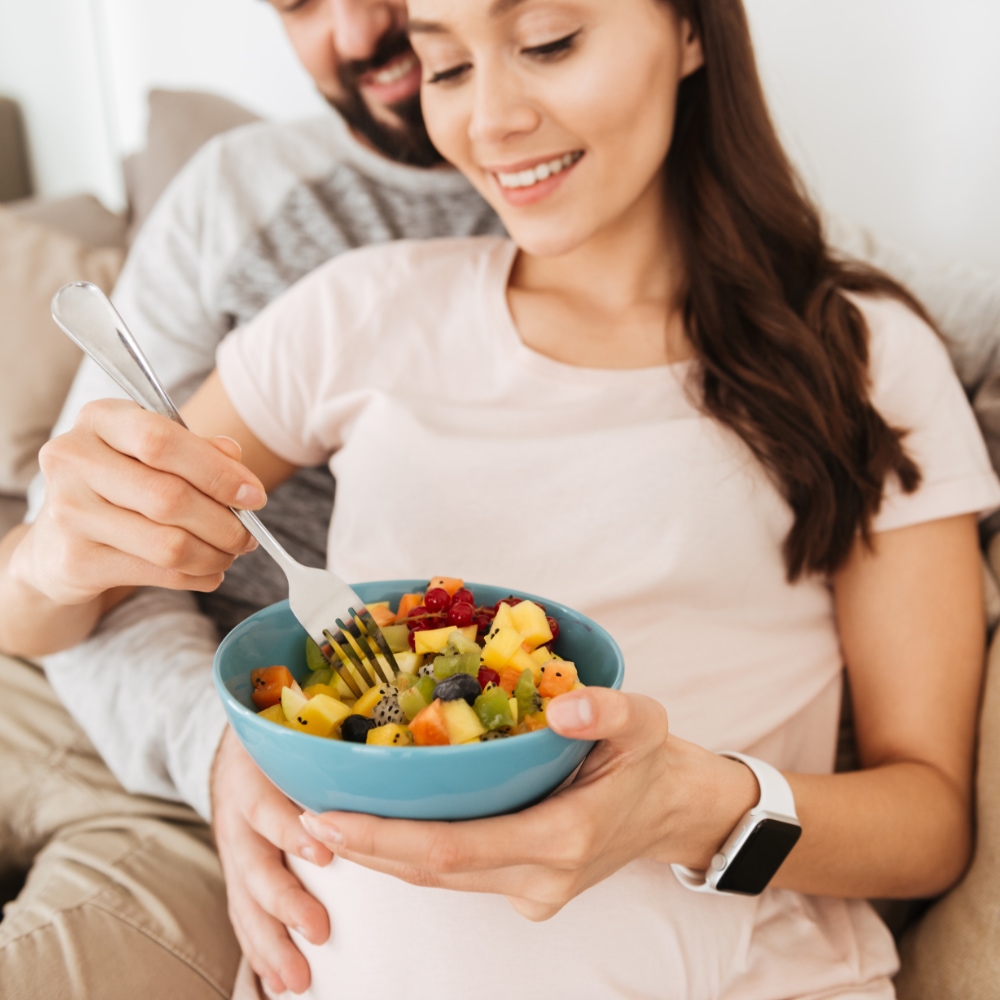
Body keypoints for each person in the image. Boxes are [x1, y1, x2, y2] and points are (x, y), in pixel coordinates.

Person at [4, 0, 999, 997]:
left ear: (693, 30)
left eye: (549, 44)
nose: (489, 120)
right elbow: (36, 614)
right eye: (444, 69)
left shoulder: (864, 356)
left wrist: (687, 807)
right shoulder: (355, 312)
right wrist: (60, 548)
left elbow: (928, 826)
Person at [0, 1, 502, 996]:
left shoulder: (625, 225)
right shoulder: (242, 197)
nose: (358, 32)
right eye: (301, 3)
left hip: (326, 756)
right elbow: (49, 588)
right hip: (158, 696)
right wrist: (224, 749)